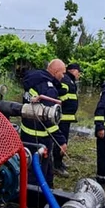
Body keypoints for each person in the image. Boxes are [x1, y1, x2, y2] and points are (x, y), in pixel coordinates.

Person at [20, 59, 68, 187]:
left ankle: (45, 188)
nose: (63, 76)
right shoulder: (48, 89)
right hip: (40, 137)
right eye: (62, 73)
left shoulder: (33, 79)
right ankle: (35, 200)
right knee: (37, 170)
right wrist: (61, 141)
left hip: (26, 133)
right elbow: (49, 120)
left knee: (30, 164)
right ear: (55, 71)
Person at [54, 63, 81, 176]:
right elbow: (59, 94)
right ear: (73, 70)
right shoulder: (65, 79)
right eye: (78, 72)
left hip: (67, 117)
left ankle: (60, 162)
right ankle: (56, 165)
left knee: (63, 141)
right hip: (62, 118)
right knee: (61, 142)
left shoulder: (69, 80)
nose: (79, 74)